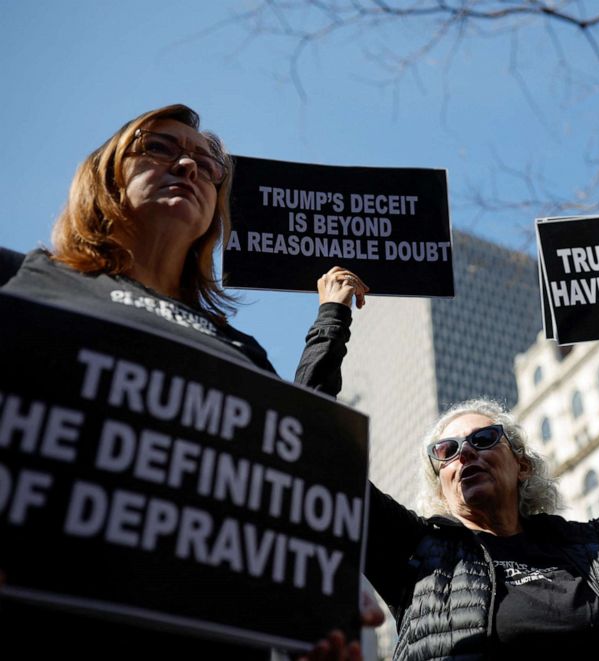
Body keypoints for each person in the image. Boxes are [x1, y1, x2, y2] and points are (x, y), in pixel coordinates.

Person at [0, 104, 376, 660]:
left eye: (207, 162)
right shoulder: (22, 283)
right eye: (158, 146)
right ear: (105, 174)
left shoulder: (240, 350)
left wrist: (315, 616)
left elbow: (301, 459)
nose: (188, 165)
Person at [301, 302, 599, 659]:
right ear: (440, 482)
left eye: (483, 439)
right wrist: (332, 317)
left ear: (523, 465)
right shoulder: (416, 552)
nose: (464, 452)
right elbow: (316, 446)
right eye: (446, 451)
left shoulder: (589, 551)